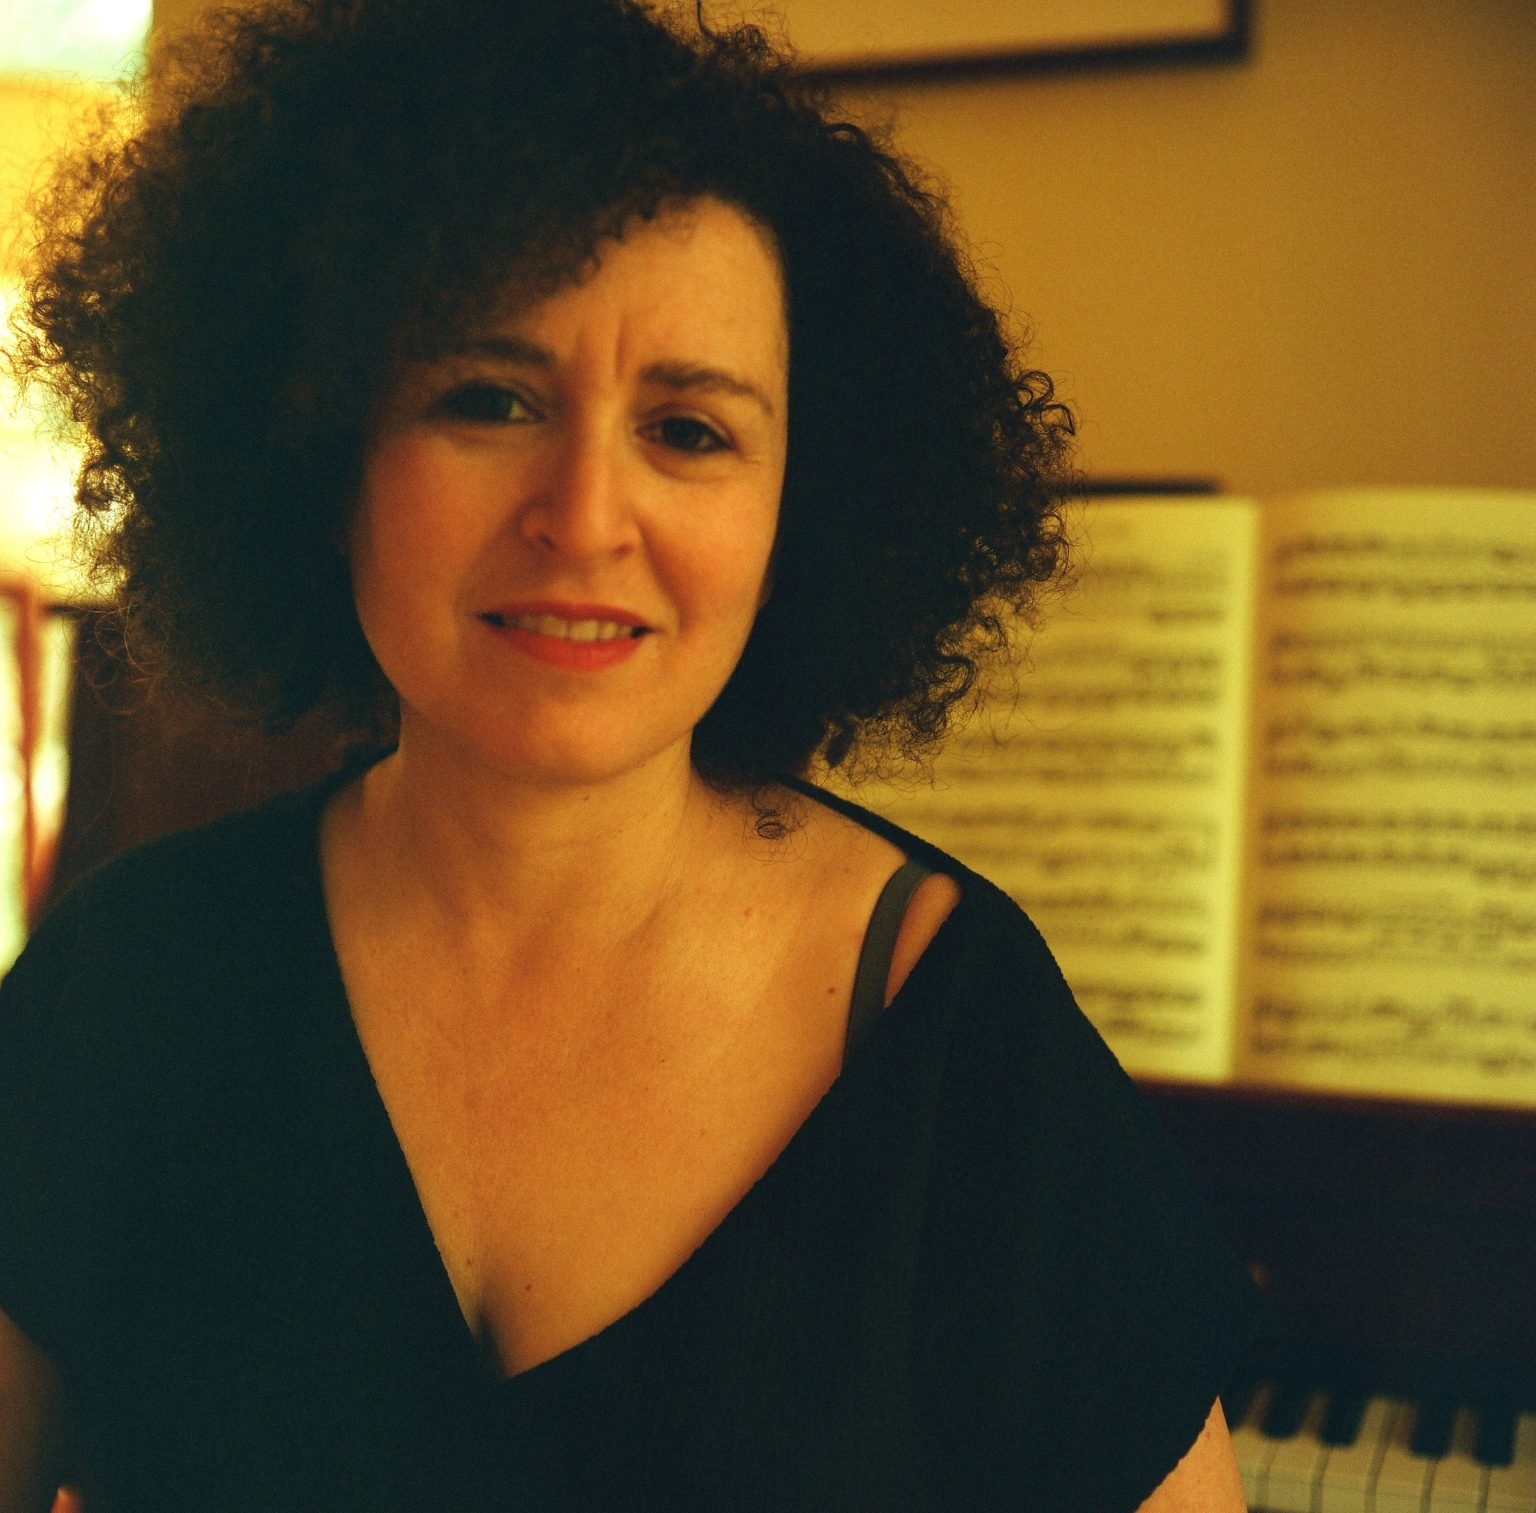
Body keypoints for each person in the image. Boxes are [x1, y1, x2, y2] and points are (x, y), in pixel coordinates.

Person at [0, 0, 1265, 1508]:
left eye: (689, 430)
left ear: (801, 511)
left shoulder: (966, 1038)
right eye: (489, 402)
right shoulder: (125, 984)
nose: (588, 516)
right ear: (320, 452)